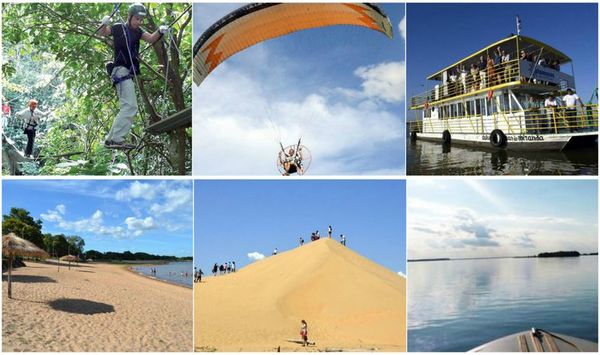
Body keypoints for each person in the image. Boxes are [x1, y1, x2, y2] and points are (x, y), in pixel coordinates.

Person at [99, 3, 169, 149]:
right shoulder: (119, 28)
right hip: (120, 71)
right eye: (137, 19)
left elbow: (151, 38)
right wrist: (103, 23)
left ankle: (110, 139)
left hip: (127, 73)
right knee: (130, 106)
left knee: (127, 106)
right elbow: (103, 32)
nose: (139, 22)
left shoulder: (138, 32)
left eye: (141, 20)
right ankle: (117, 139)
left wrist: (160, 31)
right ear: (129, 17)